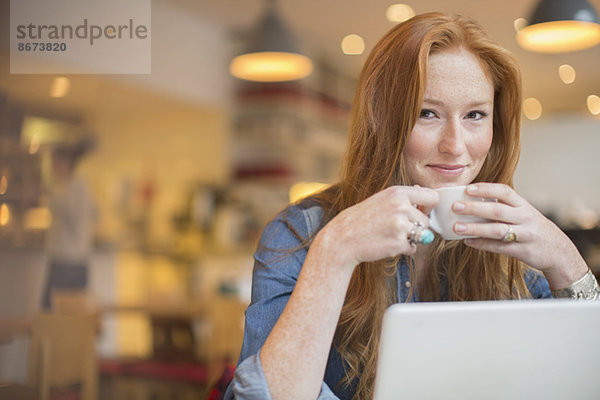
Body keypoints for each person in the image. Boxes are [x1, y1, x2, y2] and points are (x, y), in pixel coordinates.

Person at [224, 12, 600, 400]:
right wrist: (335, 251)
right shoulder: (300, 233)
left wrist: (565, 260)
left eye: (475, 115)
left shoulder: (515, 244)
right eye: (427, 113)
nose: (455, 146)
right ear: (383, 120)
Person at [41, 137, 97, 310]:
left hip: (66, 262)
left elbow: (72, 214)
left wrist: (49, 193)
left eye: (54, 161)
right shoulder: (75, 187)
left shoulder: (73, 188)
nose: (51, 167)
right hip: (76, 262)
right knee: (72, 319)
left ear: (65, 162)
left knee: (53, 318)